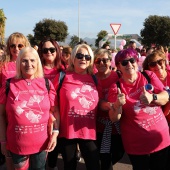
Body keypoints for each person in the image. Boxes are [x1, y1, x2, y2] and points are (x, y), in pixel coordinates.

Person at [107, 48, 170, 170]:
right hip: (137, 145)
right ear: (118, 66)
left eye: (132, 60)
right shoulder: (116, 87)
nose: (129, 64)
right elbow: (114, 118)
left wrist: (153, 97)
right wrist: (117, 105)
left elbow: (165, 97)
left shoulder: (148, 75)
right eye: (124, 62)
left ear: (137, 61)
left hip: (161, 139)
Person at [0, 47, 60, 170]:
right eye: (24, 61)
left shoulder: (46, 84)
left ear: (37, 62)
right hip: (17, 143)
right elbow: (1, 115)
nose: (29, 64)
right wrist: (2, 141)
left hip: (42, 144)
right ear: (18, 63)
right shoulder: (8, 84)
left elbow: (55, 111)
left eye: (32, 60)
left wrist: (55, 133)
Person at [52, 44, 101, 170]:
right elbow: (52, 102)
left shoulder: (94, 78)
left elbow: (100, 102)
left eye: (87, 56)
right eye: (79, 55)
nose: (83, 58)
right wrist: (55, 127)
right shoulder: (62, 76)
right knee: (70, 166)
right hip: (67, 131)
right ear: (73, 58)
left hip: (89, 130)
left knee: (94, 165)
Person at [94, 48, 124, 170]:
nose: (101, 63)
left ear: (110, 61)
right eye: (98, 60)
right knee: (105, 159)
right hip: (99, 126)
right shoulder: (92, 78)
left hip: (117, 126)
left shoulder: (118, 76)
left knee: (119, 153)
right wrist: (110, 105)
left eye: (105, 60)